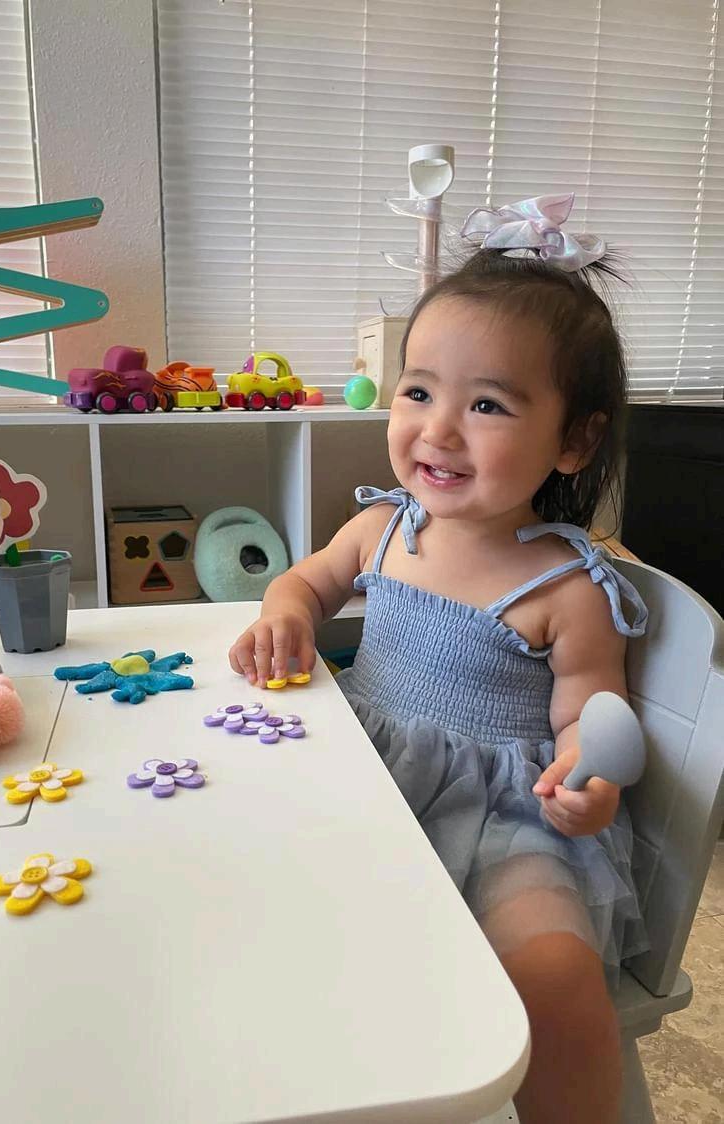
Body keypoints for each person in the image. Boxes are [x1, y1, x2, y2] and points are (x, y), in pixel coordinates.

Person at [228, 193, 648, 1124]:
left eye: (486, 404)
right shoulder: (382, 527)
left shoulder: (567, 588)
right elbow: (305, 582)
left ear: (574, 440)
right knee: (255, 889)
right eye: (418, 392)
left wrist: (587, 781)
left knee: (555, 974)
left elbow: (586, 717)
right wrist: (283, 613)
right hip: (358, 767)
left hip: (504, 814)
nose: (438, 429)